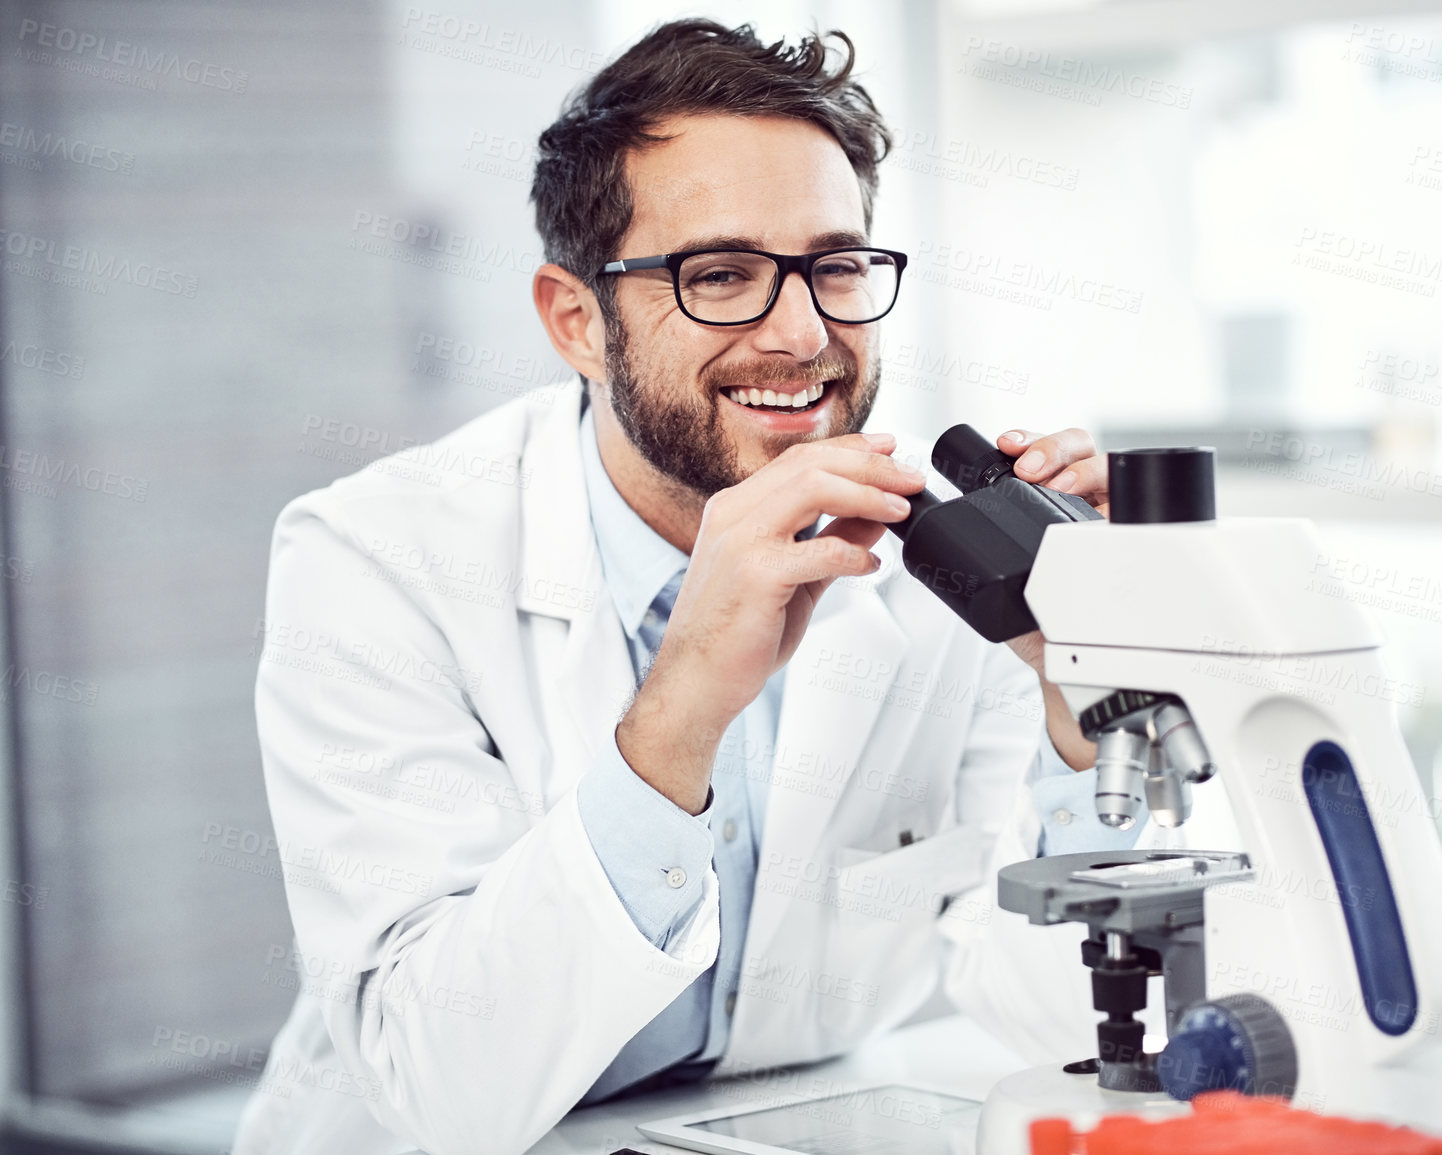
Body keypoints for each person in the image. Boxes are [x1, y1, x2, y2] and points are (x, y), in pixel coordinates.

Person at [233, 20, 1164, 1155]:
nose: (803, 332)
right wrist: (679, 715)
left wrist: (1088, 715)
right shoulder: (374, 558)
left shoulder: (946, 565)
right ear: (577, 320)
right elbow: (441, 1088)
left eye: (834, 266)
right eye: (719, 275)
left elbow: (1074, 1024)